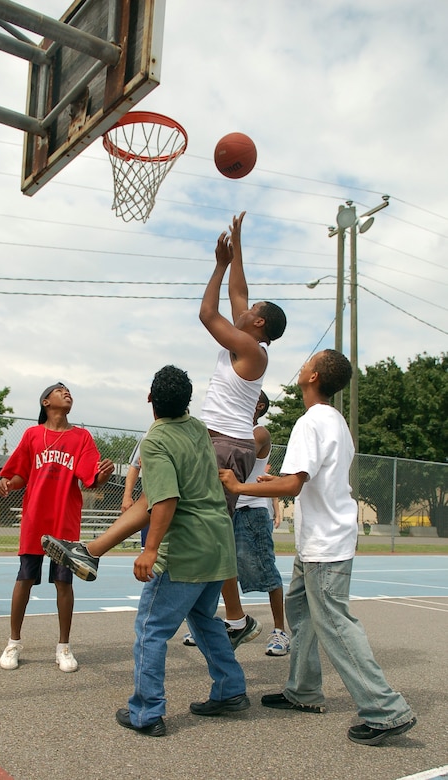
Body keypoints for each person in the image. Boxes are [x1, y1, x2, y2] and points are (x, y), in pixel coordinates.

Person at [219, 349, 417, 746]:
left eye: (309, 362)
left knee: (334, 623)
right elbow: (300, 479)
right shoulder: (335, 421)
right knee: (301, 611)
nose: (303, 365)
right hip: (320, 542)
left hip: (326, 543)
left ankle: (386, 710)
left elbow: (294, 484)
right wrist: (269, 482)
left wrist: (240, 486)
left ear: (313, 377)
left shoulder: (311, 422)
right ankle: (303, 690)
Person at [43, 366, 249, 736]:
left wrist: (150, 549)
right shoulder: (198, 428)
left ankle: (146, 712)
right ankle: (231, 690)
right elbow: (159, 495)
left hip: (185, 550)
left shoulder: (156, 440)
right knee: (204, 620)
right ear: (188, 401)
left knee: (150, 629)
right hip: (218, 544)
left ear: (150, 399)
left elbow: (165, 499)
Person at [199, 211, 287, 649]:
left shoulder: (250, 348)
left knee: (212, 533)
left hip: (227, 444)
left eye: (252, 311)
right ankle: (231, 617)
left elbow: (207, 312)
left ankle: (234, 618)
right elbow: (240, 291)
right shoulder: (248, 333)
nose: (246, 307)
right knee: (211, 532)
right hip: (216, 438)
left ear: (259, 325)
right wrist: (237, 245)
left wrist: (217, 264)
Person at [0, 382, 114, 672]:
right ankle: (13, 642)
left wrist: (103, 476)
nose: (67, 393)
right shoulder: (33, 435)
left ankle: (64, 647)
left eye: (69, 391)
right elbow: (21, 474)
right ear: (45, 402)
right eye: (60, 390)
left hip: (65, 519)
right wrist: (9, 483)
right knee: (24, 578)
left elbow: (90, 478)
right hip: (35, 518)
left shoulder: (82, 437)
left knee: (64, 582)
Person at [184, 391, 290, 657]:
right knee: (219, 568)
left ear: (259, 405)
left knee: (264, 569)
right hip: (226, 507)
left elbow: (233, 452)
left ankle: (280, 630)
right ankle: (229, 622)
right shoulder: (226, 429)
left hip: (251, 510)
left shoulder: (258, 432)